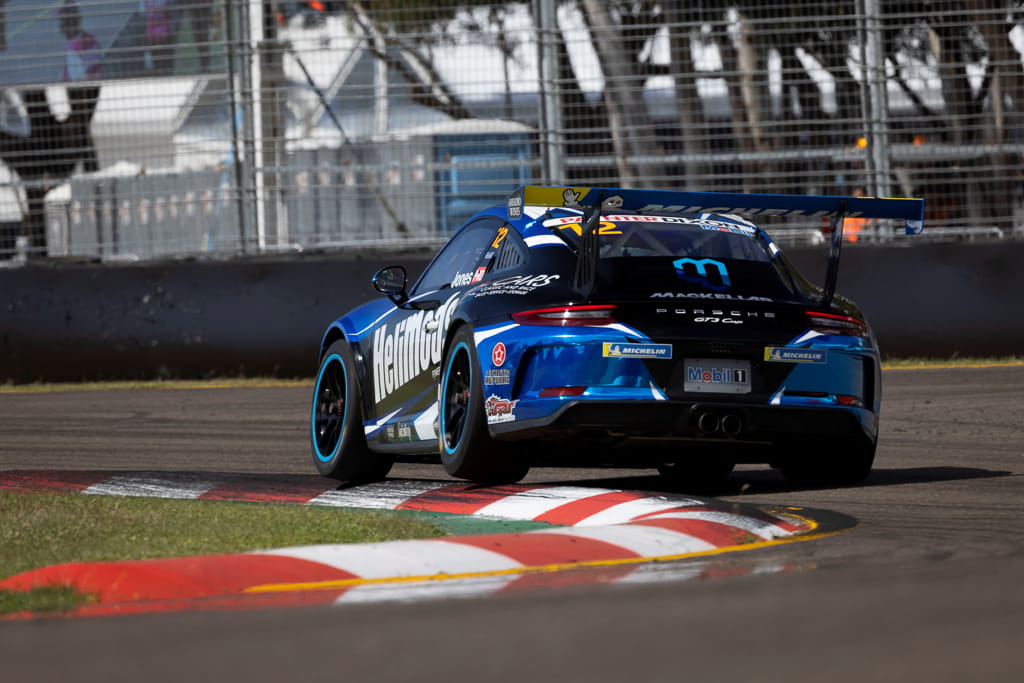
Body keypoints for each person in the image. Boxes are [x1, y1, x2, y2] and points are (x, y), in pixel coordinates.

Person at [58, 1, 102, 82]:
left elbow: (75, 79)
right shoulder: (91, 39)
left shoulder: (74, 48)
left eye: (63, 23)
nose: (60, 29)